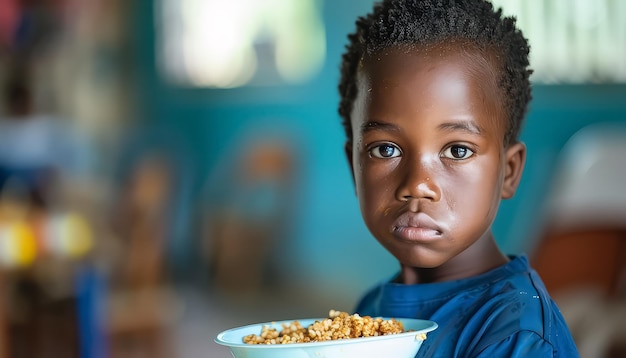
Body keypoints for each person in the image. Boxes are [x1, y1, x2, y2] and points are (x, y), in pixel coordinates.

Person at [337, 0, 579, 357]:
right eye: (385, 149)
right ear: (353, 167)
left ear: (508, 172)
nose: (417, 184)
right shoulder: (369, 310)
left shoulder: (516, 334)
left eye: (458, 150)